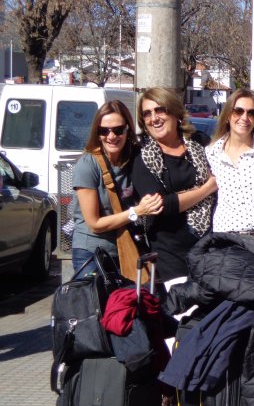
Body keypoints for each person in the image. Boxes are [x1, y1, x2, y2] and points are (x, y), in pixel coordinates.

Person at [131, 88, 217, 282]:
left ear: (176, 113)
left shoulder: (200, 142)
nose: (154, 118)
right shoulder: (141, 156)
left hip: (210, 247)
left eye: (160, 110)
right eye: (147, 114)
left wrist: (183, 197)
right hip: (170, 254)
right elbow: (161, 205)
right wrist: (207, 188)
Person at [71, 100, 163, 275]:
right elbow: (94, 224)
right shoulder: (88, 164)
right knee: (95, 294)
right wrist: (137, 211)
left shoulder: (134, 160)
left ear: (128, 130)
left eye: (118, 130)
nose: (111, 136)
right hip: (92, 252)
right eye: (104, 131)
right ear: (97, 133)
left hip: (127, 250)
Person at [205, 89, 254, 234]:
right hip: (225, 236)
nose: (244, 118)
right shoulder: (212, 152)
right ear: (227, 115)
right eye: (238, 111)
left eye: (251, 113)